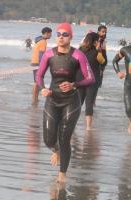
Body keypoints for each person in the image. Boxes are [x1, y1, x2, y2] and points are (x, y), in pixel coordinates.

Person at [35, 22, 95, 183]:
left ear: (71, 37)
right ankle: (56, 151)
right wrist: (42, 88)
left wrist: (74, 84)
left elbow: (91, 78)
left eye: (65, 34)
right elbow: (39, 75)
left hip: (71, 101)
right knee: (48, 140)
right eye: (59, 34)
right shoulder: (49, 55)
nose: (61, 37)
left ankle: (62, 175)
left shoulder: (78, 55)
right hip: (53, 99)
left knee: (64, 138)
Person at [112, 29, 131, 134]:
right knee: (128, 108)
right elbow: (114, 61)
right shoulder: (125, 50)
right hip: (129, 83)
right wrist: (118, 72)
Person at [78, 32, 106, 130]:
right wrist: (99, 50)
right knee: (89, 103)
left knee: (78, 103)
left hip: (80, 80)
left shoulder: (80, 50)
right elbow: (103, 62)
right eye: (98, 41)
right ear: (95, 42)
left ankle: (72, 122)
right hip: (92, 81)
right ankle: (88, 127)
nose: (99, 42)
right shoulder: (96, 53)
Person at [31, 27, 52, 104]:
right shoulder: (43, 41)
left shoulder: (38, 40)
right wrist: (42, 64)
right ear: (46, 33)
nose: (51, 35)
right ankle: (34, 99)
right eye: (50, 33)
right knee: (36, 82)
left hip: (34, 62)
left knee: (36, 81)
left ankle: (35, 98)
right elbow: (41, 54)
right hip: (37, 63)